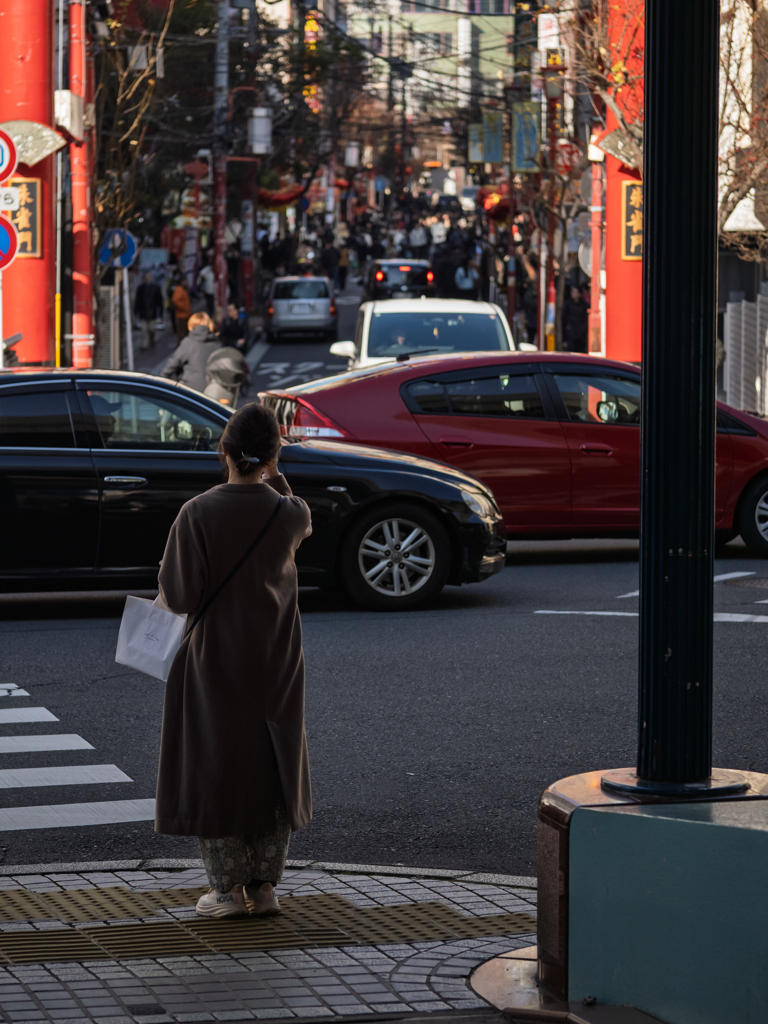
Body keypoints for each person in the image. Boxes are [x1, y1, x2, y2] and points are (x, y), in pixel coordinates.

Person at [155, 402, 313, 918]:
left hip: (213, 658)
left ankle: (225, 891)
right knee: (273, 759)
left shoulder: (197, 513)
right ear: (272, 456)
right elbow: (296, 511)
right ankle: (264, 890)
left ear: (223, 451)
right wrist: (274, 472)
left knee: (216, 760)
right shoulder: (291, 514)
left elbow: (180, 596)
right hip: (276, 658)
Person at [161, 311, 220, 392]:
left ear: (191, 326)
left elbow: (170, 367)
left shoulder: (188, 342)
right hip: (212, 389)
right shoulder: (216, 343)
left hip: (191, 390)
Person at [134, 271, 164, 351]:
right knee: (144, 330)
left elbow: (160, 301)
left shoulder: (156, 288)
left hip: (152, 313)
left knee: (151, 329)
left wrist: (160, 313)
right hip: (143, 313)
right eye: (146, 277)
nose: (148, 279)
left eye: (149, 277)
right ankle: (144, 345)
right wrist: (136, 311)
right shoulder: (141, 288)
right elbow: (137, 300)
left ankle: (152, 339)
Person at [562, 285, 590, 353]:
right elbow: (564, 320)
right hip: (570, 334)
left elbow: (586, 319)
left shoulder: (584, 305)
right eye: (572, 292)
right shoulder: (567, 304)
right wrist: (564, 339)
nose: (572, 293)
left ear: (579, 294)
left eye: (575, 292)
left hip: (581, 335)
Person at [171, 277, 192, 341]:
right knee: (182, 334)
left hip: (185, 315)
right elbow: (175, 300)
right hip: (181, 316)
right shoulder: (179, 289)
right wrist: (184, 308)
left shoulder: (183, 289)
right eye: (186, 281)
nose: (187, 282)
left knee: (185, 333)